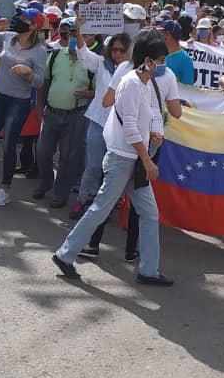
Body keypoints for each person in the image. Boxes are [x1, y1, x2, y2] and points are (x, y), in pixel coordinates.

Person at [52, 29, 174, 287]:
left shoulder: (146, 81)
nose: (162, 64)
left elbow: (154, 112)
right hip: (123, 158)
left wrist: (157, 132)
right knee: (101, 208)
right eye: (158, 59)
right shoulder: (131, 82)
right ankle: (66, 253)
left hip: (135, 159)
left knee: (149, 214)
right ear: (147, 59)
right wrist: (148, 159)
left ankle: (148, 270)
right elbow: (129, 126)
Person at [0, 8, 47, 207]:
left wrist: (28, 72)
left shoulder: (39, 50)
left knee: (8, 146)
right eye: (20, 16)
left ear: (33, 26)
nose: (18, 19)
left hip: (18, 102)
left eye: (24, 18)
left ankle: (5, 189)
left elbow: (39, 82)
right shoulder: (8, 37)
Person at [34, 16, 98, 208]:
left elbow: (100, 91)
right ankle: (45, 182)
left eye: (78, 34)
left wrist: (87, 93)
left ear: (87, 39)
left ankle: (60, 194)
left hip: (76, 115)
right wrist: (39, 106)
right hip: (52, 113)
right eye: (70, 33)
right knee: (43, 151)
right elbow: (44, 82)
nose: (73, 38)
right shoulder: (55, 55)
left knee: (68, 157)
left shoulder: (92, 63)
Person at [76, 33, 132, 218]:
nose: (117, 53)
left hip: (120, 127)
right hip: (99, 122)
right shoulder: (101, 64)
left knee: (112, 169)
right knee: (93, 166)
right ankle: (83, 199)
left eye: (122, 50)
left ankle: (105, 206)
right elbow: (83, 53)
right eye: (114, 49)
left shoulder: (134, 71)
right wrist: (78, 29)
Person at [158, 19, 195, 86]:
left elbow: (188, 89)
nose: (158, 36)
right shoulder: (158, 55)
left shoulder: (185, 60)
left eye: (161, 33)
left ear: (168, 34)